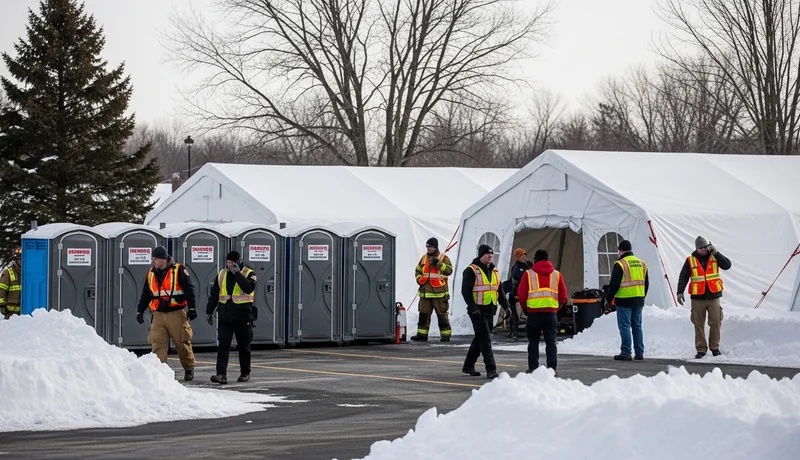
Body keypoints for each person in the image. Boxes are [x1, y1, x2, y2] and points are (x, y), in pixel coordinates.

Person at [136, 246, 198, 381]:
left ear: (163, 259)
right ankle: (160, 372)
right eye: (152, 259)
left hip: (176, 313)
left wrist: (192, 308)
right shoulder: (151, 273)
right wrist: (140, 310)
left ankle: (189, 368)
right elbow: (146, 294)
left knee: (182, 342)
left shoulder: (178, 270)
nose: (153, 261)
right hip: (158, 314)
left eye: (155, 259)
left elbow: (189, 289)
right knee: (157, 344)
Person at [206, 250, 257, 384]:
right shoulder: (222, 274)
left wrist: (237, 273)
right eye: (228, 263)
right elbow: (214, 294)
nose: (229, 265)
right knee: (223, 345)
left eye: (232, 263)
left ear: (239, 262)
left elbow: (248, 288)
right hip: (226, 316)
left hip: (243, 316)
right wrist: (209, 311)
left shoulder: (249, 273)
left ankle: (245, 372)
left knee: (244, 346)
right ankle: (221, 374)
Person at [676, 236, 732, 359]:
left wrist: (716, 253)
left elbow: (727, 265)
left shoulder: (714, 256)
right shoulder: (690, 260)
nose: (703, 249)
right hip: (698, 298)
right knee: (698, 324)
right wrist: (680, 292)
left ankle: (714, 347)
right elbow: (683, 276)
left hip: (713, 296)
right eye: (701, 248)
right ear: (696, 248)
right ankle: (701, 349)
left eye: (705, 247)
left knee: (716, 321)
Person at [461, 244, 510, 380]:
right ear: (481, 255)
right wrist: (472, 308)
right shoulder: (471, 270)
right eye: (487, 254)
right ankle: (491, 369)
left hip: (490, 310)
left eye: (491, 254)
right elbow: (465, 291)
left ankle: (468, 366)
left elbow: (499, 291)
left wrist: (506, 307)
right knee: (485, 340)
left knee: (480, 338)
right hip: (477, 311)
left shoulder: (494, 271)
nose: (490, 256)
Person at [517, 249, 567, 375]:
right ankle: (552, 368)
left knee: (533, 341)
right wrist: (556, 308)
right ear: (548, 259)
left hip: (533, 314)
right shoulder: (557, 275)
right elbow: (563, 296)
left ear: (535, 260)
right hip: (550, 314)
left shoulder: (528, 274)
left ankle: (533, 368)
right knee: (551, 342)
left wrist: (525, 309)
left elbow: (521, 295)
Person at [604, 240, 649, 361]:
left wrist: (608, 298)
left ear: (620, 250)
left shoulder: (620, 264)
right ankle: (639, 352)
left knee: (625, 326)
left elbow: (614, 284)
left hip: (624, 300)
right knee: (637, 326)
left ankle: (626, 352)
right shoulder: (642, 263)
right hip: (638, 299)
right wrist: (642, 296)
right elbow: (646, 283)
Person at [411, 237, 454, 342]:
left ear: (435, 247)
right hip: (425, 293)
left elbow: (449, 271)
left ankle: (445, 335)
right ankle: (421, 335)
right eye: (427, 247)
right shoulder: (424, 258)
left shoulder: (443, 258)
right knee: (423, 314)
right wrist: (419, 279)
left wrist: (438, 264)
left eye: (430, 247)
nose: (428, 248)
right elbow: (418, 270)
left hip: (439, 293)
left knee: (442, 315)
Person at [503, 248, 531, 339]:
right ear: (517, 257)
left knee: (526, 313)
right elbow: (520, 279)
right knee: (514, 314)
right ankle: (514, 332)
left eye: (525, 255)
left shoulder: (528, 265)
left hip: (525, 293)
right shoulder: (517, 268)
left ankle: (524, 331)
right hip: (515, 293)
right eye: (521, 256)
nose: (524, 257)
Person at [0, 247, 22, 320]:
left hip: (27, 312)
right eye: (19, 259)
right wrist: (2, 305)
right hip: (11, 313)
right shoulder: (8, 272)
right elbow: (1, 290)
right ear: (15, 260)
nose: (22, 261)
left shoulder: (30, 273)